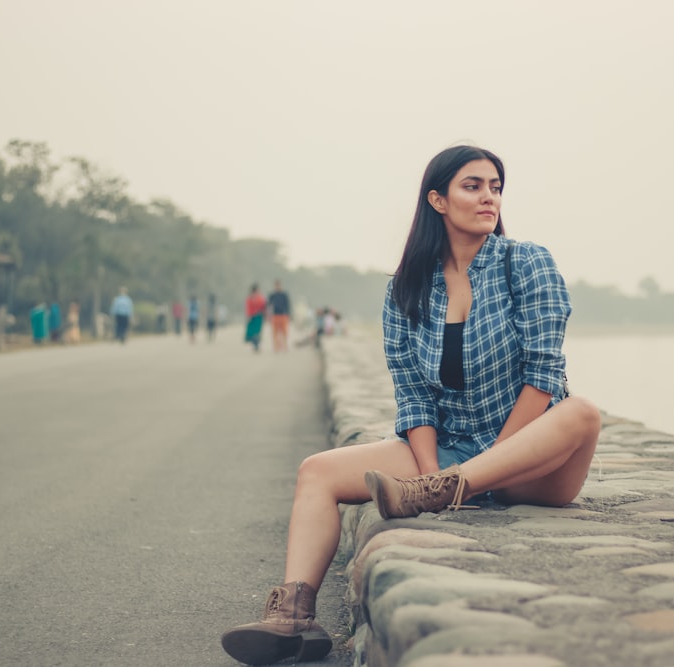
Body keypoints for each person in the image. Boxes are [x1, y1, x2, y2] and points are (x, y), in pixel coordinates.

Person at [221, 145, 601, 665]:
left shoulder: (526, 263)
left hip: (528, 459)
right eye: (473, 186)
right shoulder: (406, 289)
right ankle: (293, 615)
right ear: (438, 200)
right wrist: (428, 477)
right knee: (317, 472)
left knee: (581, 412)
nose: (489, 196)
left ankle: (447, 487)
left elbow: (543, 375)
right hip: (447, 453)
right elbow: (414, 397)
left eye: (495, 186)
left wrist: (478, 469)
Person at [267, 280, 291, 352]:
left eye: (279, 286)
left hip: (283, 315)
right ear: (275, 286)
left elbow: (288, 305)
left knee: (284, 332)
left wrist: (288, 314)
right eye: (276, 286)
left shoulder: (284, 295)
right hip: (275, 315)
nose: (278, 287)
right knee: (275, 333)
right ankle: (276, 347)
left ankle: (285, 346)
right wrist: (268, 315)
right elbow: (268, 305)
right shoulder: (272, 295)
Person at [244, 284, 267, 352]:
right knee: (254, 332)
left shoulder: (258, 298)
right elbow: (248, 308)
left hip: (257, 316)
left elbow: (263, 307)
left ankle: (256, 345)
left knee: (256, 332)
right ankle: (256, 345)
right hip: (254, 316)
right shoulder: (253, 298)